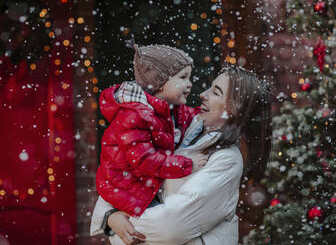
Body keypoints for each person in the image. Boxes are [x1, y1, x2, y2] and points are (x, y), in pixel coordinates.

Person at [91, 66, 272, 245]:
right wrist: (109, 216)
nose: (203, 94)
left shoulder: (226, 160)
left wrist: (118, 226)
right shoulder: (179, 132)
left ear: (234, 109)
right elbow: (120, 178)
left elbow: (169, 227)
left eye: (216, 93)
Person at [96, 44, 207, 222]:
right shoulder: (135, 115)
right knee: (170, 222)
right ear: (160, 83)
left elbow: (191, 117)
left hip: (145, 183)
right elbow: (145, 160)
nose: (190, 83)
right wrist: (188, 164)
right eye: (183, 77)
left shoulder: (170, 108)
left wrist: (211, 117)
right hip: (128, 187)